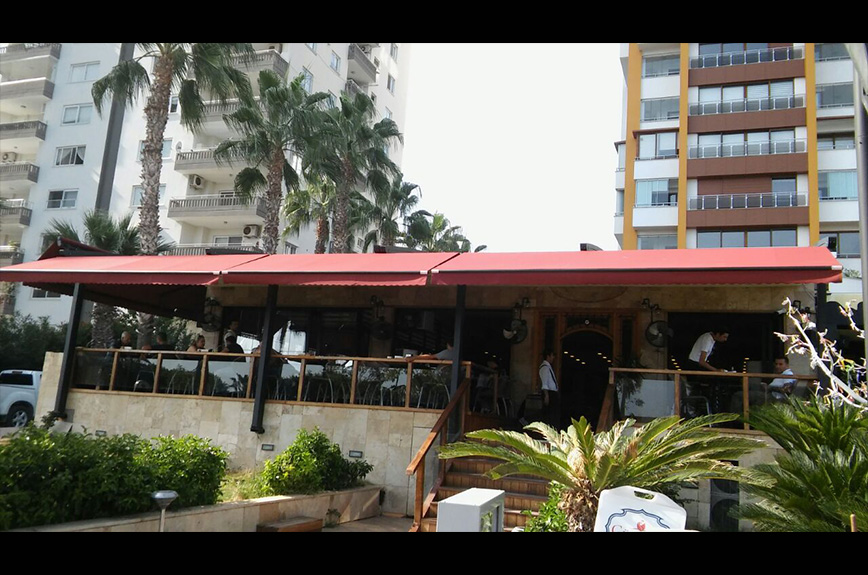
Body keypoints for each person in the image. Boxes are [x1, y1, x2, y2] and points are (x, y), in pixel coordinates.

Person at [539, 349, 560, 429]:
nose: (553, 358)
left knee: (554, 414)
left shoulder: (548, 367)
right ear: (548, 356)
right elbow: (545, 383)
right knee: (550, 414)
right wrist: (546, 395)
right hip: (549, 393)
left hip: (552, 393)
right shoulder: (544, 368)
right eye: (552, 356)